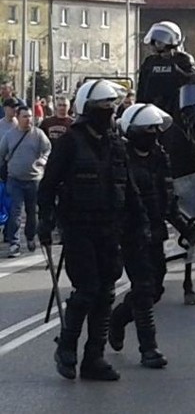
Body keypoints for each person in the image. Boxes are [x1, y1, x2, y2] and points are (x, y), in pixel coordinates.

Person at [37, 79, 144, 381]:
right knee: (87, 290)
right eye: (104, 107)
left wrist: (142, 224)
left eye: (112, 107)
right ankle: (67, 347)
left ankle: (94, 358)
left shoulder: (116, 144)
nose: (110, 112)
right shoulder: (70, 142)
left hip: (110, 229)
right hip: (78, 227)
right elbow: (47, 187)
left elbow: (130, 189)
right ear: (88, 109)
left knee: (106, 293)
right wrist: (45, 221)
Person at [109, 103, 175, 369]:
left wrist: (184, 222)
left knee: (156, 288)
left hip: (156, 228)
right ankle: (149, 348)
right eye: (149, 128)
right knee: (144, 287)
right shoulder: (119, 156)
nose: (155, 133)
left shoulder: (159, 155)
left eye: (156, 128)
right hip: (130, 230)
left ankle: (119, 317)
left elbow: (168, 192)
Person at [0, 105, 51, 257]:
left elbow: (48, 149)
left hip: (34, 179)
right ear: (18, 117)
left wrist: (43, 159)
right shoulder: (10, 135)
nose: (28, 119)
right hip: (14, 179)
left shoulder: (38, 134)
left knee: (31, 213)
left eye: (30, 116)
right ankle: (14, 243)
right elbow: (2, 154)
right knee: (15, 212)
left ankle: (30, 237)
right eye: (25, 116)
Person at [136, 21, 195, 119]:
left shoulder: (183, 59)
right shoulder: (150, 61)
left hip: (177, 111)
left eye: (161, 39)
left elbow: (193, 83)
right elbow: (141, 88)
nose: (156, 43)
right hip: (152, 111)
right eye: (155, 40)